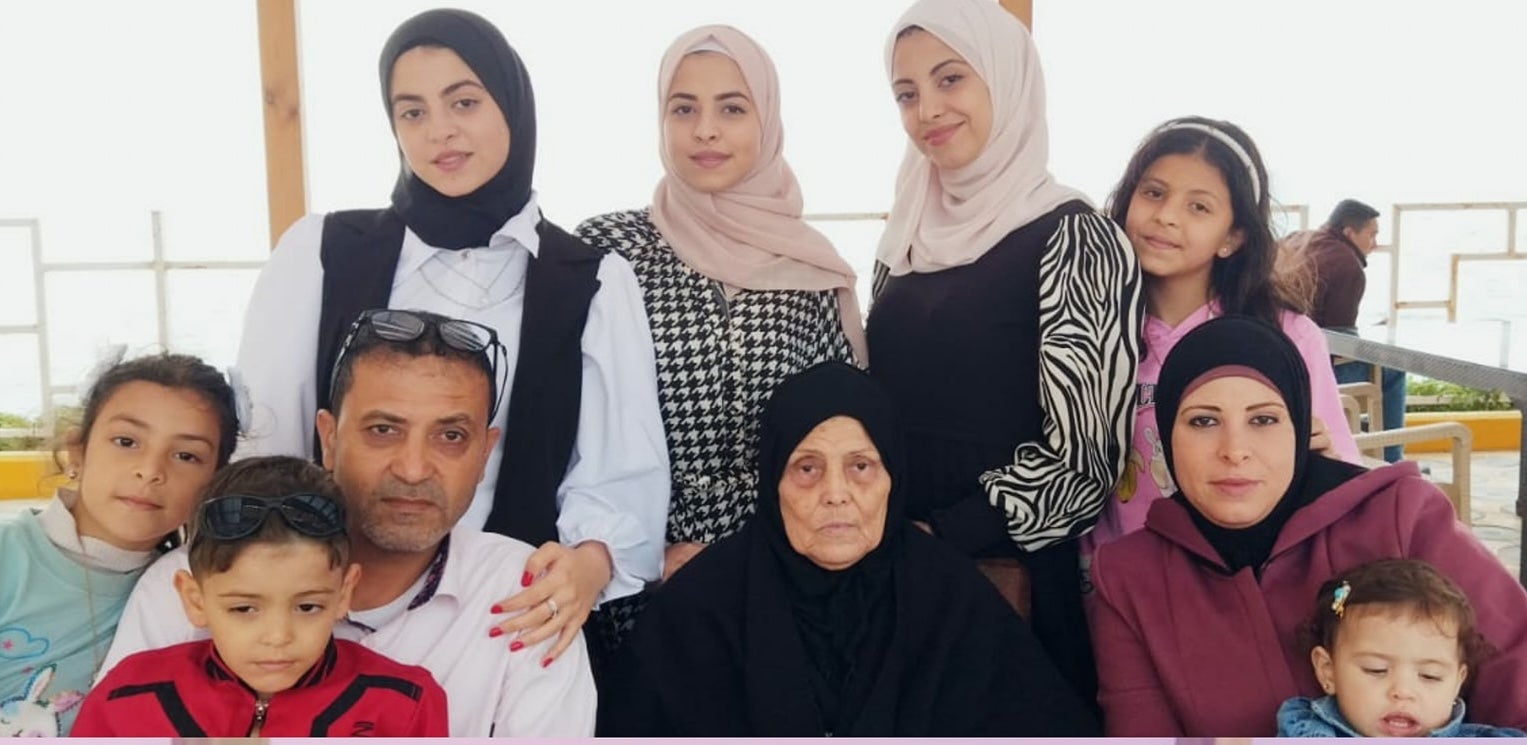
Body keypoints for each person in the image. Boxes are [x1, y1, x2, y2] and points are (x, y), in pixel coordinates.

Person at [232, 7, 670, 663]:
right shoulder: (323, 252)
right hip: (333, 619)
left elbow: (621, 472)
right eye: (411, 111)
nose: (439, 131)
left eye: (463, 101)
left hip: (507, 624)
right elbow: (267, 445)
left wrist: (588, 563)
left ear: (511, 107)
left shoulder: (590, 280)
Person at [101, 309, 597, 736]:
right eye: (384, 430)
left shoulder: (530, 594)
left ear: (485, 453)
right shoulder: (189, 581)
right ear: (330, 437)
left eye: (450, 436)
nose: (413, 468)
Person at [865, 0, 1142, 702]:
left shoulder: (1075, 237)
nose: (927, 108)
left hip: (1002, 571)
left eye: (951, 79)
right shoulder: (904, 236)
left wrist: (941, 534)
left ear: (1004, 79)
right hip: (889, 562)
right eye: (906, 92)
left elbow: (1085, 458)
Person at [598, 361, 1098, 736]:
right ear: (773, 484)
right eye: (807, 468)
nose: (836, 493)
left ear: (891, 481)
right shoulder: (703, 606)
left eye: (861, 466)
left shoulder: (947, 598)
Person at [1089, 316, 1527, 736]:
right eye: (1203, 421)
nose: (1234, 450)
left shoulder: (1401, 517)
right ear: (1167, 434)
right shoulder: (1130, 576)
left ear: (1300, 428)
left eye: (1263, 419)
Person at [574, 24, 863, 651]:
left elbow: (837, 437)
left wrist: (751, 558)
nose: (705, 129)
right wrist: (648, 554)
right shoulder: (609, 251)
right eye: (684, 108)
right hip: (630, 587)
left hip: (785, 582)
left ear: (767, 121)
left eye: (732, 108)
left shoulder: (811, 269)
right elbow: (575, 431)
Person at [1084, 118, 1361, 563]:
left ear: (1233, 237)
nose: (1166, 216)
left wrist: (1320, 456)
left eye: (1199, 207)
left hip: (1241, 581)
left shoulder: (1287, 337)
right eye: (1153, 193)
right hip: (1117, 587)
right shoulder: (1088, 331)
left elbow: (1340, 471)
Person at [73, 457, 448, 736]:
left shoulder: (405, 703)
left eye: (307, 606)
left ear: (343, 593)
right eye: (244, 608)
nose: (277, 636)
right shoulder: (128, 698)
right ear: (195, 599)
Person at [0, 353, 237, 737]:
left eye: (186, 455)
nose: (151, 470)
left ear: (215, 483)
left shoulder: (191, 597)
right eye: (126, 441)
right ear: (78, 452)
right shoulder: (9, 557)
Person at [1277, 558, 1525, 737]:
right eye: (1376, 670)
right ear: (1327, 670)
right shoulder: (1305, 733)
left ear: (1458, 682)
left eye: (1430, 676)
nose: (1403, 691)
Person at [1287, 199, 1406, 462]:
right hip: (1316, 372)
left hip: (1280, 360)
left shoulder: (1298, 239)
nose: (1374, 244)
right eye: (1371, 235)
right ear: (1349, 232)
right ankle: (1391, 458)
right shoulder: (1347, 266)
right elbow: (1341, 340)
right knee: (1393, 369)